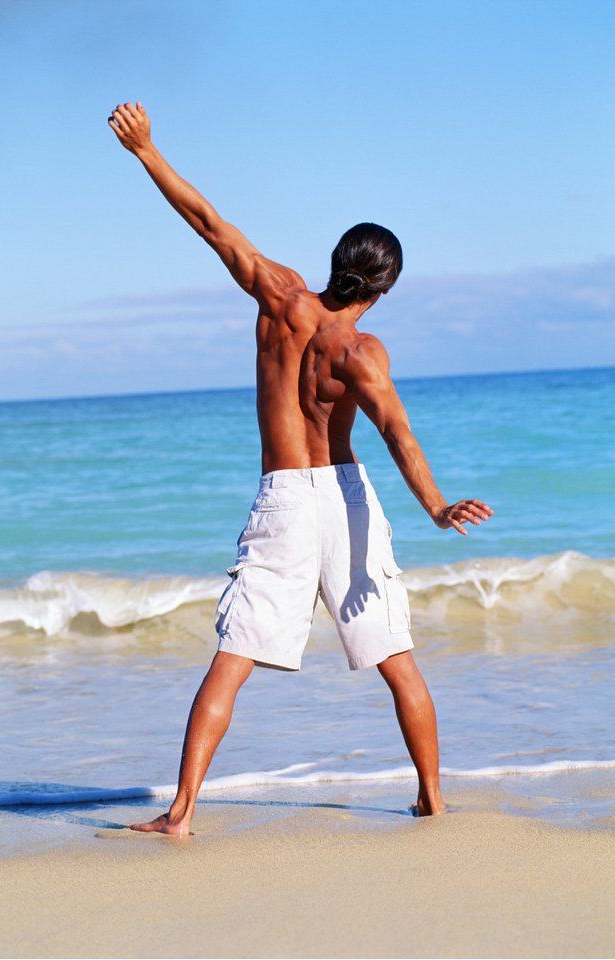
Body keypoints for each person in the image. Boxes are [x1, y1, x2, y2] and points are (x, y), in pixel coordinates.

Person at [108, 101, 493, 836]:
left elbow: (208, 223)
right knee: (395, 659)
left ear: (335, 262)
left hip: (283, 498)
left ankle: (182, 814)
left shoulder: (279, 296)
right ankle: (433, 802)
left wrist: (147, 150)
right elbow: (399, 436)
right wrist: (438, 508)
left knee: (234, 655)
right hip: (346, 498)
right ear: (384, 288)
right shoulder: (364, 355)